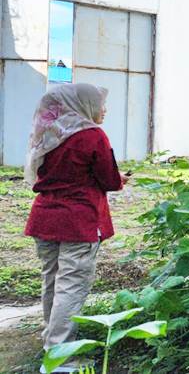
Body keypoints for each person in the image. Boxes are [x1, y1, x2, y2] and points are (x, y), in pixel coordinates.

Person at [23, 83, 128, 373]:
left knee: (53, 282)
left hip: (45, 218)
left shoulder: (50, 133)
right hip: (78, 222)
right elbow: (108, 179)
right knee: (70, 286)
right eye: (99, 104)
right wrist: (120, 180)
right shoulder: (92, 136)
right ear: (83, 105)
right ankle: (58, 359)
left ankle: (52, 343)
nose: (103, 110)